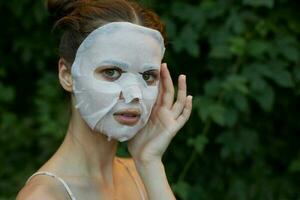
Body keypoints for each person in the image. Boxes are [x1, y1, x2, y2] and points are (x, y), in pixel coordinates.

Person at [17, 0, 192, 199]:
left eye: (147, 76)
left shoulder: (140, 173)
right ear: (67, 75)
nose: (135, 94)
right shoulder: (43, 196)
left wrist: (149, 162)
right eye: (111, 72)